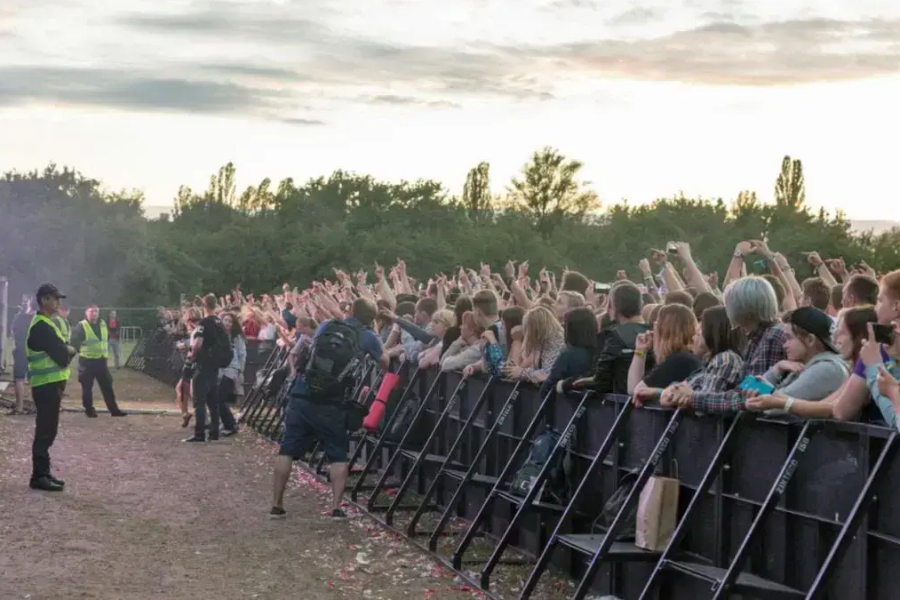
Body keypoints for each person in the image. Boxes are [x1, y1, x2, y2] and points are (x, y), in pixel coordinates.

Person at [271, 297, 388, 520]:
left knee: (287, 449)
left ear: (351, 309)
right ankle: (336, 508)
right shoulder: (367, 336)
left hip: (303, 392)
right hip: (333, 399)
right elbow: (384, 361)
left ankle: (276, 504)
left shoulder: (327, 325)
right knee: (337, 454)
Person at [26, 283, 76, 492]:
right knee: (45, 431)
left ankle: (44, 473)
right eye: (55, 298)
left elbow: (61, 352)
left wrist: (66, 349)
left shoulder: (46, 323)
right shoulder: (42, 326)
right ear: (44, 300)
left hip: (50, 385)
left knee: (48, 430)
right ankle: (38, 476)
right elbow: (63, 357)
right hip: (46, 385)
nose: (58, 302)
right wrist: (70, 350)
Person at [184, 294, 232, 443]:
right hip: (215, 365)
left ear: (204, 306)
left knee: (199, 401)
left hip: (203, 364)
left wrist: (192, 356)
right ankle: (214, 433)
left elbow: (198, 343)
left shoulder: (204, 323)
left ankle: (199, 434)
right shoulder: (219, 322)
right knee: (213, 403)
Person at [70, 305, 126, 418]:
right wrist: (80, 349)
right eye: (91, 311)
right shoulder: (82, 326)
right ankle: (89, 410)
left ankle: (114, 410)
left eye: (96, 311)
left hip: (101, 360)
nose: (94, 314)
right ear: (86, 313)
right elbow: (74, 342)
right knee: (87, 387)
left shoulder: (102, 324)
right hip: (87, 361)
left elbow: (105, 339)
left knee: (107, 386)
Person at [8, 300, 35, 415]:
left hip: (21, 350)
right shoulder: (39, 319)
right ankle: (35, 407)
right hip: (35, 352)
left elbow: (13, 331)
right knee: (34, 380)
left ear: (29, 305)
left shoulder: (19, 317)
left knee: (19, 379)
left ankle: (19, 407)